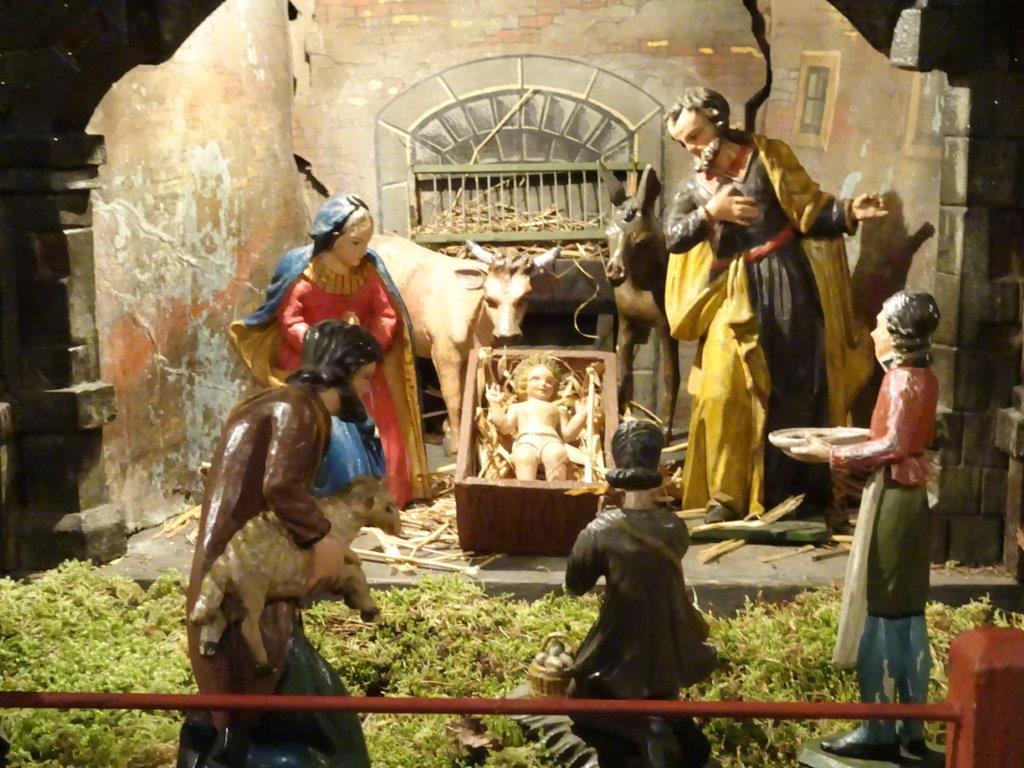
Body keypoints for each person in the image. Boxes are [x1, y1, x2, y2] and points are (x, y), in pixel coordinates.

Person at [662, 87, 883, 523]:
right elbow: (673, 236)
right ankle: (727, 496)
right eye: (683, 143)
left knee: (797, 387)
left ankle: (798, 495)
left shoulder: (769, 158)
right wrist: (711, 213)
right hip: (731, 289)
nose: (692, 149)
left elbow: (810, 211)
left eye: (696, 136)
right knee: (723, 391)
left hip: (787, 281)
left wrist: (848, 213)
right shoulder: (694, 187)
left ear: (718, 120)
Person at [177, 320, 381, 768]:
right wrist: (322, 540)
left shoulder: (278, 403)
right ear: (344, 370)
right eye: (366, 377)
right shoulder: (298, 410)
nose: (367, 391)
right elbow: (282, 488)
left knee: (274, 700)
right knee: (329, 721)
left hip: (255, 570)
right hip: (249, 577)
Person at [791, 291, 940, 761]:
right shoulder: (922, 376)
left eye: (879, 323)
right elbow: (897, 438)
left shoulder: (901, 380)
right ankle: (910, 725)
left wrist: (829, 453)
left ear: (896, 334)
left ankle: (879, 728)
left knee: (884, 614)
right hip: (908, 497)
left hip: (895, 497)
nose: (873, 331)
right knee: (907, 616)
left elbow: (892, 445)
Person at [230, 194, 429, 507]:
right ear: (333, 238)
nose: (363, 250)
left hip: (360, 370)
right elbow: (290, 318)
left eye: (365, 242)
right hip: (314, 366)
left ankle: (385, 494)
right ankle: (325, 495)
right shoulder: (303, 272)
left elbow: (387, 313)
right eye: (355, 243)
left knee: (380, 421)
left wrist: (367, 346)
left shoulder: (368, 271)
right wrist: (321, 347)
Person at [565, 419, 718, 768]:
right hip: (669, 643)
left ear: (617, 463)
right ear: (656, 465)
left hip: (619, 642)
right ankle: (669, 723)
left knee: (577, 699)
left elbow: (576, 585)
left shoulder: (599, 530)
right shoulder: (675, 526)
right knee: (662, 692)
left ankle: (641, 732)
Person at [485, 355, 587, 481]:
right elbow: (505, 427)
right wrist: (495, 404)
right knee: (524, 456)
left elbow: (568, 435)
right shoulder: (517, 407)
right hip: (526, 441)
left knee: (556, 454)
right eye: (536, 379)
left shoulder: (558, 410)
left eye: (549, 381)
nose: (543, 384)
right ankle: (526, 490)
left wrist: (581, 416)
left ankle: (557, 490)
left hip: (552, 441)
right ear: (524, 384)